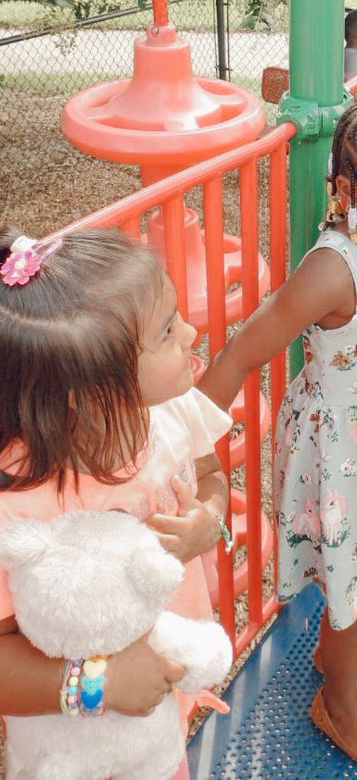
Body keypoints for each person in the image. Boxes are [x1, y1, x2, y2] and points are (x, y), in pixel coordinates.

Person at [199, 52, 357, 772]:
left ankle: (344, 650)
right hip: (344, 455)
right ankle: (338, 700)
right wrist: (183, 446)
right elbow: (240, 354)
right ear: (347, 191)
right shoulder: (331, 270)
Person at [0, 227, 234, 780]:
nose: (193, 332)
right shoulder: (18, 505)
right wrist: (99, 681)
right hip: (70, 747)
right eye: (167, 332)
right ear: (90, 394)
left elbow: (210, 474)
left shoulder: (171, 408)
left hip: (157, 707)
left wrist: (212, 520)